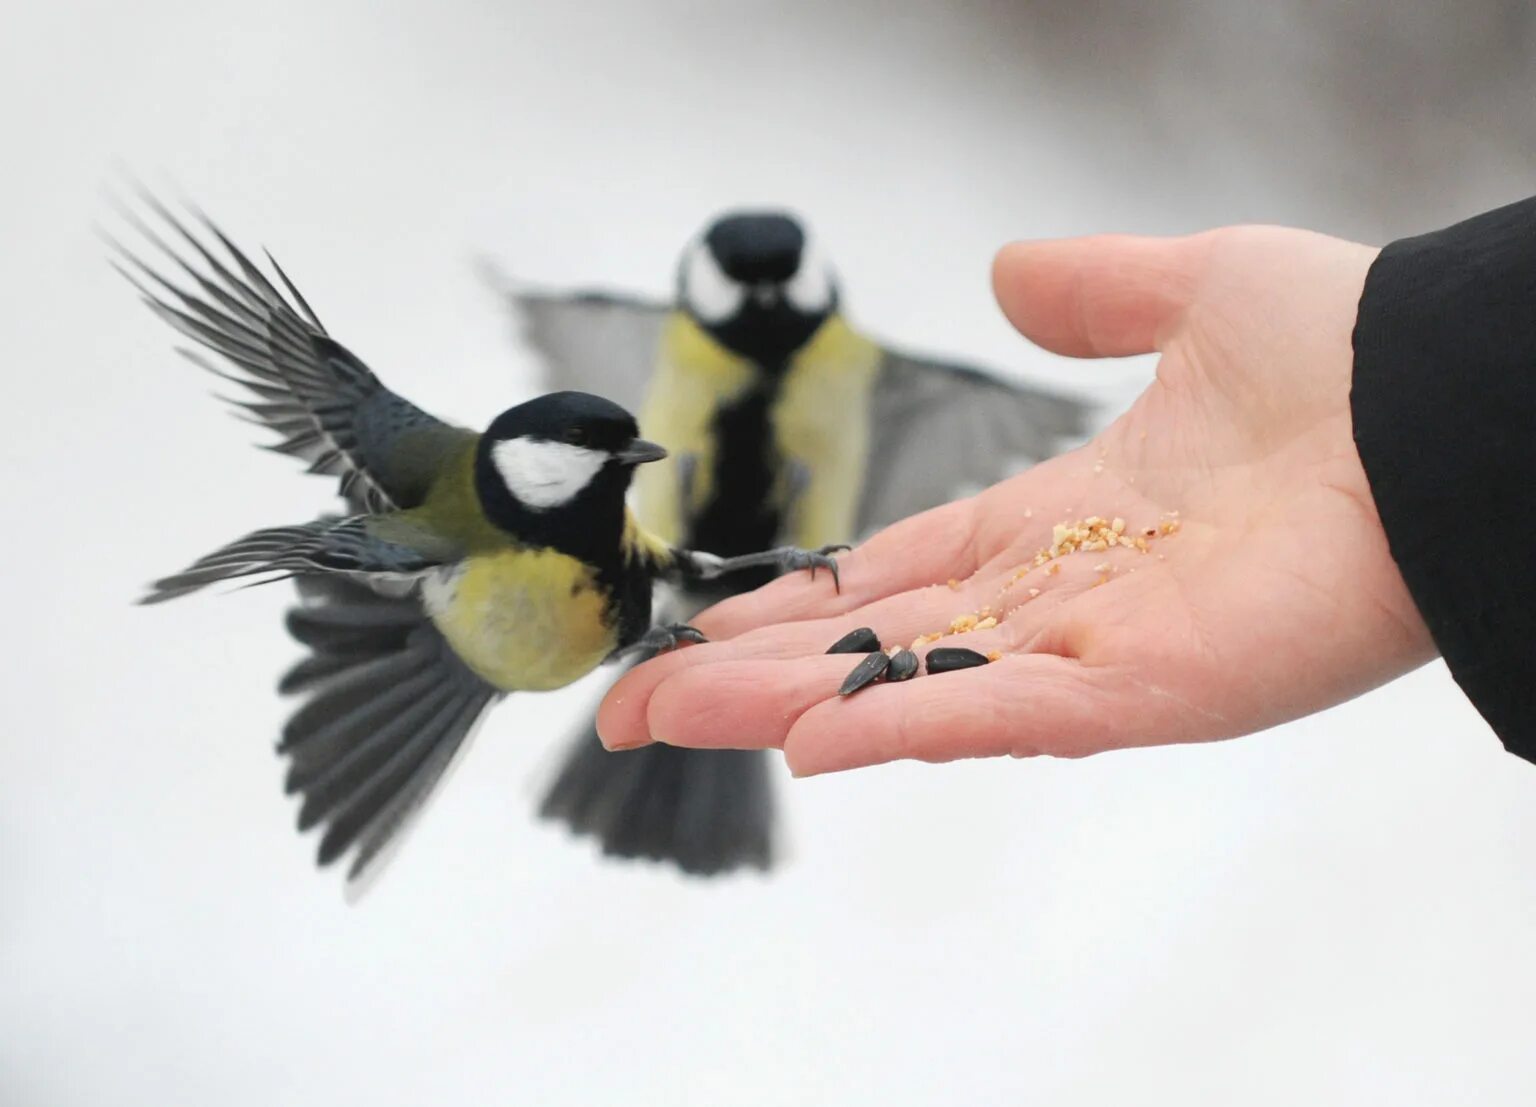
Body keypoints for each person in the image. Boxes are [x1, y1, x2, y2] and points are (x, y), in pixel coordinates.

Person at [594, 200, 1536, 778]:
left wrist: (1402, 398)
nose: (761, 300)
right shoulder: (656, 336)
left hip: (806, 553)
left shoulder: (864, 365)